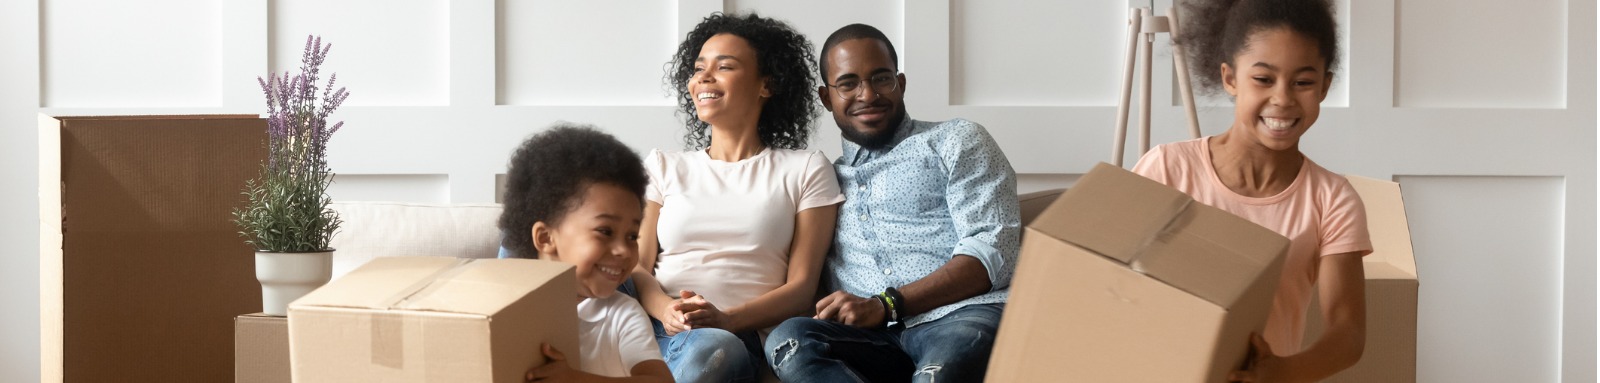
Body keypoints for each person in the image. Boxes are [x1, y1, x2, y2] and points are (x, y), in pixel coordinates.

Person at [763, 24, 1020, 383]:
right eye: (848, 83)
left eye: (881, 78)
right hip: (872, 340)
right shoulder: (821, 180)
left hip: (962, 318)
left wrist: (886, 305)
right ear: (826, 98)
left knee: (939, 373)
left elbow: (994, 253)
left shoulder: (956, 140)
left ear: (900, 83)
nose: (868, 94)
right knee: (788, 341)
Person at [1133, 0, 1371, 381]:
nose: (1283, 99)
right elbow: (1114, 284)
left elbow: (1348, 332)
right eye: (1263, 79)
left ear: (1325, 86)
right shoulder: (1166, 169)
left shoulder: (1332, 199)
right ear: (1230, 78)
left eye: (1303, 82)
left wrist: (1284, 372)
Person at [627, 12, 844, 383]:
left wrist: (726, 319)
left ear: (766, 85)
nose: (703, 78)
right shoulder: (664, 166)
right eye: (698, 69)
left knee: (715, 348)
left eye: (723, 66)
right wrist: (668, 311)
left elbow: (802, 287)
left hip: (736, 338)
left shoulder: (805, 168)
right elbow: (636, 267)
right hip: (661, 330)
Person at [496, 124, 672, 382]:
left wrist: (575, 379)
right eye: (605, 231)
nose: (624, 250)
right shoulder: (507, 313)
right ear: (546, 238)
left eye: (632, 236)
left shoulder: (619, 314)